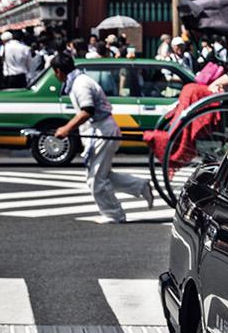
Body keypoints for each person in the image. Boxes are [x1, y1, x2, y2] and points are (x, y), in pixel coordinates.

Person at [48, 50, 152, 222]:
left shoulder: (80, 84)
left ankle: (114, 214)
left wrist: (66, 128)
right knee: (102, 174)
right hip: (99, 129)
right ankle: (140, 186)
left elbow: (87, 111)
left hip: (102, 130)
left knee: (95, 178)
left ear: (59, 71)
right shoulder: (77, 81)